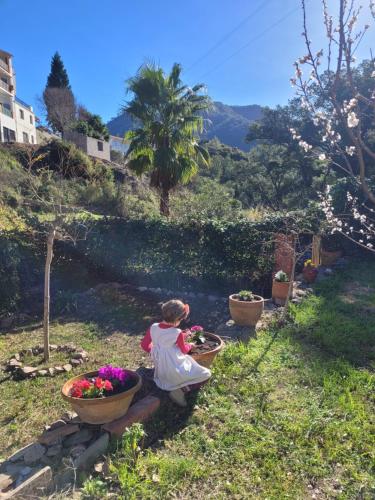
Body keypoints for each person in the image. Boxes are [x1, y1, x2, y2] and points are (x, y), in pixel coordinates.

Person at [141, 299, 211, 407]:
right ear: (178, 319)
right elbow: (184, 350)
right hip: (175, 369)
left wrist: (157, 351)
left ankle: (174, 386)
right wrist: (191, 345)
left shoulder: (153, 327)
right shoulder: (176, 332)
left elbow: (145, 345)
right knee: (206, 374)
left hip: (161, 373)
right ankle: (181, 390)